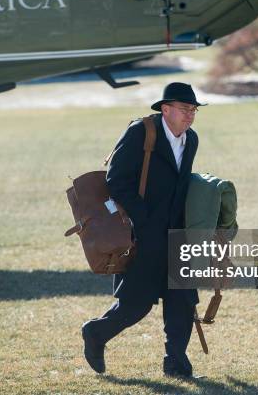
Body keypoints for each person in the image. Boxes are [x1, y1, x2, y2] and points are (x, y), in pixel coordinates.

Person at [81, 82, 204, 378]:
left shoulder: (192, 139)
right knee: (135, 305)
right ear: (166, 109)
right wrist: (144, 220)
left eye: (194, 110)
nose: (190, 115)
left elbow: (181, 183)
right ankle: (96, 333)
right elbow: (117, 180)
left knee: (183, 300)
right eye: (185, 109)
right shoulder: (141, 132)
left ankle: (176, 363)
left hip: (178, 233)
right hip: (144, 234)